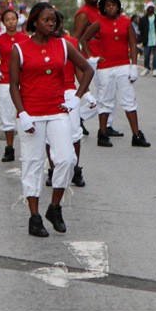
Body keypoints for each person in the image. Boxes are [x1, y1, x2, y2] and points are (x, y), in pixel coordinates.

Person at [10, 3, 93, 237]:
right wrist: (22, 113)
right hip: (31, 115)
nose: (51, 23)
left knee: (66, 159)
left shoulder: (64, 45)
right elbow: (14, 86)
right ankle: (34, 217)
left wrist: (76, 98)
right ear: (34, 22)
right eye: (46, 20)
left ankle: (54, 208)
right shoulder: (20, 49)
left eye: (53, 20)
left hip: (57, 112)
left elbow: (87, 69)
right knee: (33, 164)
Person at [80, 0, 151, 148]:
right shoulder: (99, 23)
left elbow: (132, 43)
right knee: (105, 101)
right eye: (107, 6)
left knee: (129, 100)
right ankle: (102, 134)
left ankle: (136, 135)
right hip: (105, 68)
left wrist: (133, 66)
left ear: (118, 6)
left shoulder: (126, 22)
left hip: (123, 66)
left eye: (113, 5)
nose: (110, 8)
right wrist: (91, 57)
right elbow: (84, 39)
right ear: (103, 9)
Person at [51, 10, 96, 187]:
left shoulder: (71, 43)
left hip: (69, 91)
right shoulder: (38, 44)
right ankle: (53, 170)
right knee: (49, 137)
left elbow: (80, 69)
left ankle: (75, 169)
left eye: (57, 21)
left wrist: (86, 94)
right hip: (48, 93)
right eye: (49, 21)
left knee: (75, 133)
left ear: (62, 23)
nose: (53, 25)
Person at [0, 10, 30, 162]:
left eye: (13, 19)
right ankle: (9, 148)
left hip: (23, 80)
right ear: (3, 22)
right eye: (7, 19)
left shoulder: (26, 38)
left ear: (17, 20)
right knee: (7, 115)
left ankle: (27, 149)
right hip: (6, 81)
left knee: (24, 114)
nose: (11, 22)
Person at [74, 0, 121, 137]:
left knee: (110, 92)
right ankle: (80, 116)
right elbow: (76, 38)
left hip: (107, 55)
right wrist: (83, 59)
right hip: (93, 58)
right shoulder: (83, 13)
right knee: (104, 93)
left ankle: (108, 125)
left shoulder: (102, 9)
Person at [138, 2, 156, 77]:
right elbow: (140, 29)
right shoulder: (143, 19)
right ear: (146, 9)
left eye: (152, 8)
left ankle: (155, 69)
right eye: (149, 8)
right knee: (146, 55)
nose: (150, 9)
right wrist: (142, 38)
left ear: (154, 9)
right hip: (147, 40)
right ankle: (146, 68)